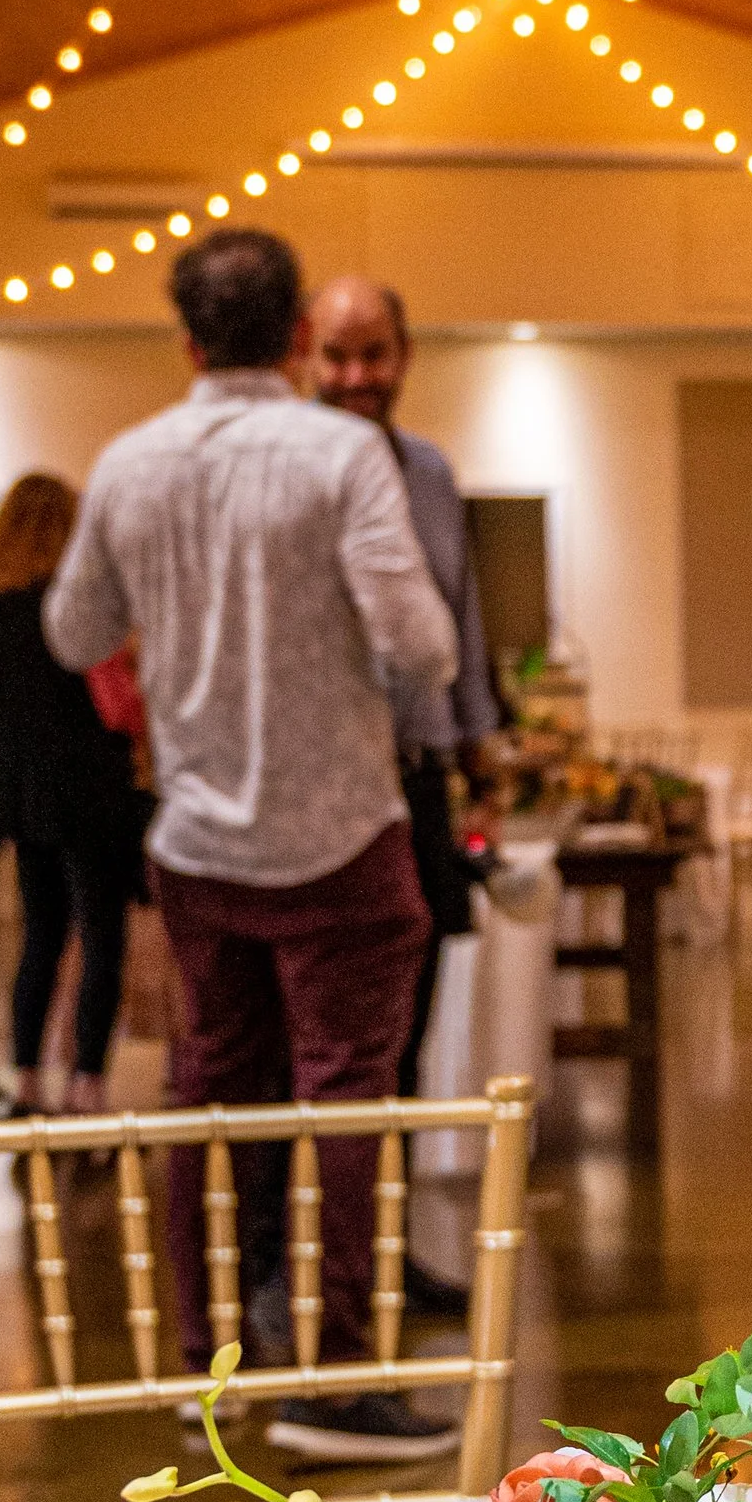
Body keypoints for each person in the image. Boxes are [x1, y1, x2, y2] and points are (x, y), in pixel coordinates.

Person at [44, 225, 462, 1464]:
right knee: (346, 1094)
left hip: (200, 837)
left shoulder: (129, 463)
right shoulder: (339, 455)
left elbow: (74, 631)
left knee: (204, 1096)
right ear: (293, 338)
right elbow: (421, 646)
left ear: (184, 338)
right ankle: (336, 1377)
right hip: (340, 828)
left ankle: (205, 1364)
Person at [307, 273, 507, 1314]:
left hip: (419, 782)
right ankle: (303, 1267)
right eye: (336, 356)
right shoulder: (290, 465)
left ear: (404, 354)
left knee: (409, 1024)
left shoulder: (428, 470)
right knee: (328, 1040)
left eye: (372, 354)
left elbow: (458, 619)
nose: (355, 377)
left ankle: (379, 1248)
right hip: (324, 783)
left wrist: (479, 745)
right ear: (305, 354)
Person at [0, 469, 146, 1118]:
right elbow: (116, 708)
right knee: (103, 936)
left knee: (41, 934)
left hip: (23, 790)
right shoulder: (72, 603)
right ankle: (88, 1080)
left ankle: (24, 1075)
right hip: (90, 787)